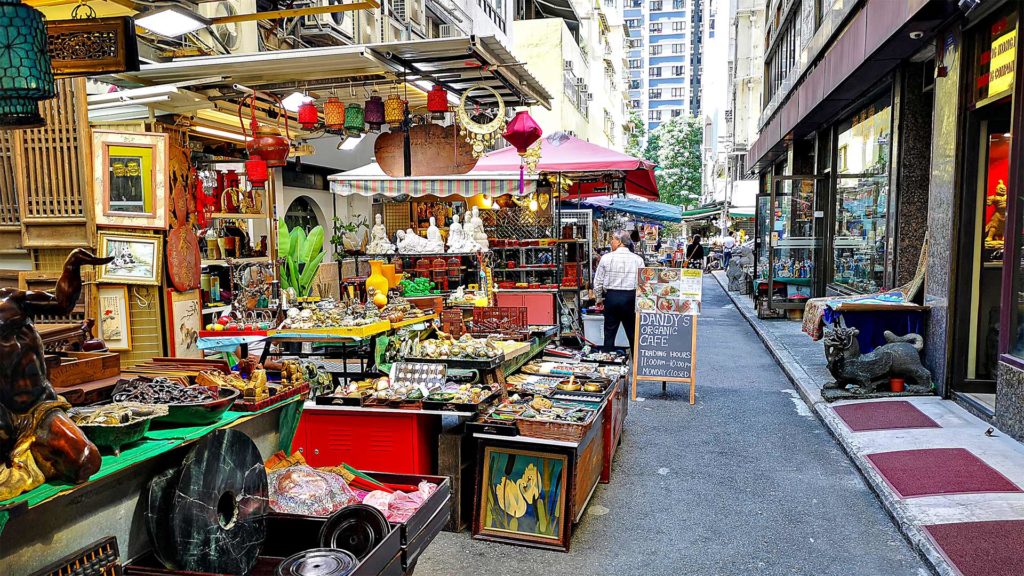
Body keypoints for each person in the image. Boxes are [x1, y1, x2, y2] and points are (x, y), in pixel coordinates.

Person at [593, 230, 645, 353]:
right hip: (631, 298)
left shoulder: (606, 258)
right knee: (632, 333)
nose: (611, 241)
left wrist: (599, 299)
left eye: (613, 239)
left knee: (609, 333)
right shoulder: (638, 260)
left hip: (612, 297)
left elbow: (598, 281)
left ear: (620, 242)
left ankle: (607, 363)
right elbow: (643, 284)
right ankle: (637, 364)